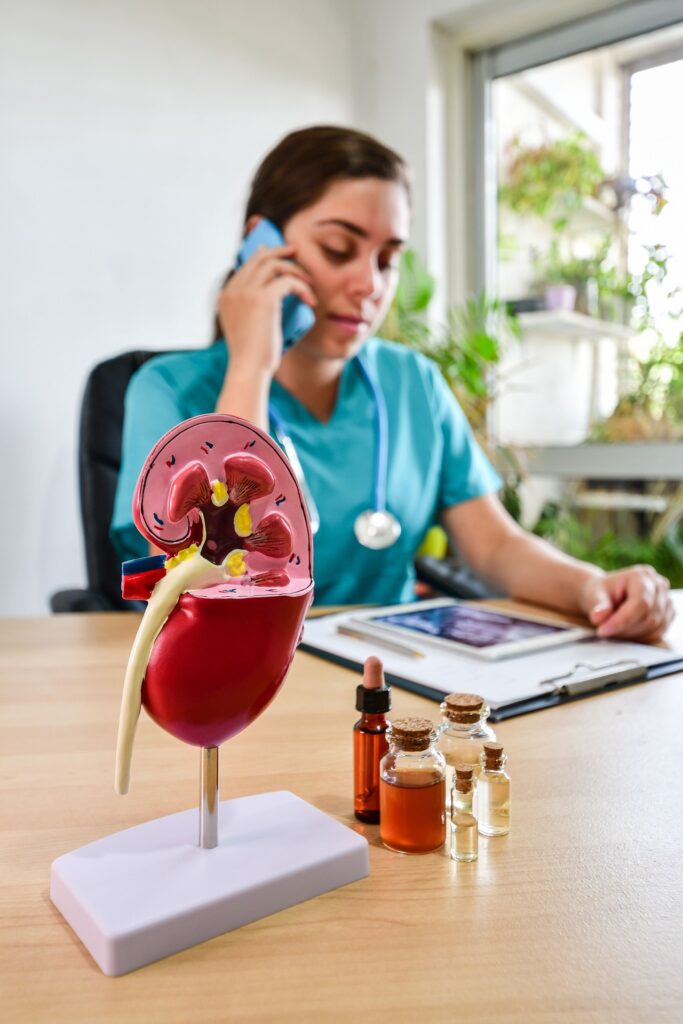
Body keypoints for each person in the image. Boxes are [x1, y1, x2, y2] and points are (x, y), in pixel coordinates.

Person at [111, 125, 673, 639]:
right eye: (339, 249)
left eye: (387, 259)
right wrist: (252, 365)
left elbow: (496, 545)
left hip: (388, 680)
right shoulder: (166, 389)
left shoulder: (414, 384)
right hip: (233, 675)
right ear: (261, 242)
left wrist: (592, 587)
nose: (369, 284)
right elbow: (216, 583)